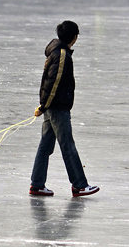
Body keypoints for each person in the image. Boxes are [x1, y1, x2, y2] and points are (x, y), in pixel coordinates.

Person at [29, 20, 99, 197]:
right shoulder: (61, 55)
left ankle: (37, 184)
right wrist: (45, 106)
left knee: (45, 145)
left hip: (52, 106)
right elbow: (53, 82)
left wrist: (44, 105)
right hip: (57, 107)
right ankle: (80, 185)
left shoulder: (57, 51)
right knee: (67, 146)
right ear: (74, 37)